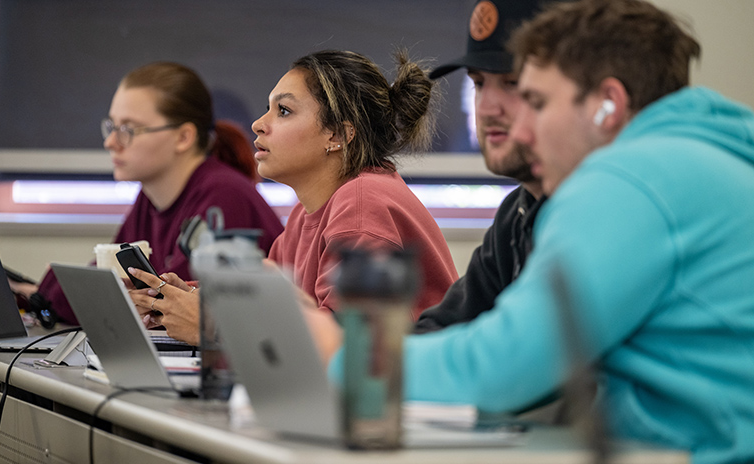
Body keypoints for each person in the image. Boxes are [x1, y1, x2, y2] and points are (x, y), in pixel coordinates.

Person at [321, 1, 754, 463]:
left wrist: (343, 358)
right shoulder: (703, 158)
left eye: (538, 103)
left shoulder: (633, 180)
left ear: (609, 105)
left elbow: (501, 369)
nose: (524, 131)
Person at [130, 50, 459, 344]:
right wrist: (183, 299)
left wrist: (214, 324)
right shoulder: (307, 213)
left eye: (284, 110)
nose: (258, 124)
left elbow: (356, 346)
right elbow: (267, 304)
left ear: (338, 134)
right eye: (267, 109)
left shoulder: (363, 202)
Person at [15, 62, 284, 325]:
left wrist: (50, 292)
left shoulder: (224, 196)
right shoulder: (150, 196)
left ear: (183, 137)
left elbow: (164, 304)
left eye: (127, 130)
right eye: (111, 127)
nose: (110, 142)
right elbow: (104, 283)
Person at [414, 0, 564, 333]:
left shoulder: (593, 207)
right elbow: (448, 325)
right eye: (479, 83)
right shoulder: (518, 209)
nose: (487, 107)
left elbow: (524, 356)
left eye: (511, 82)